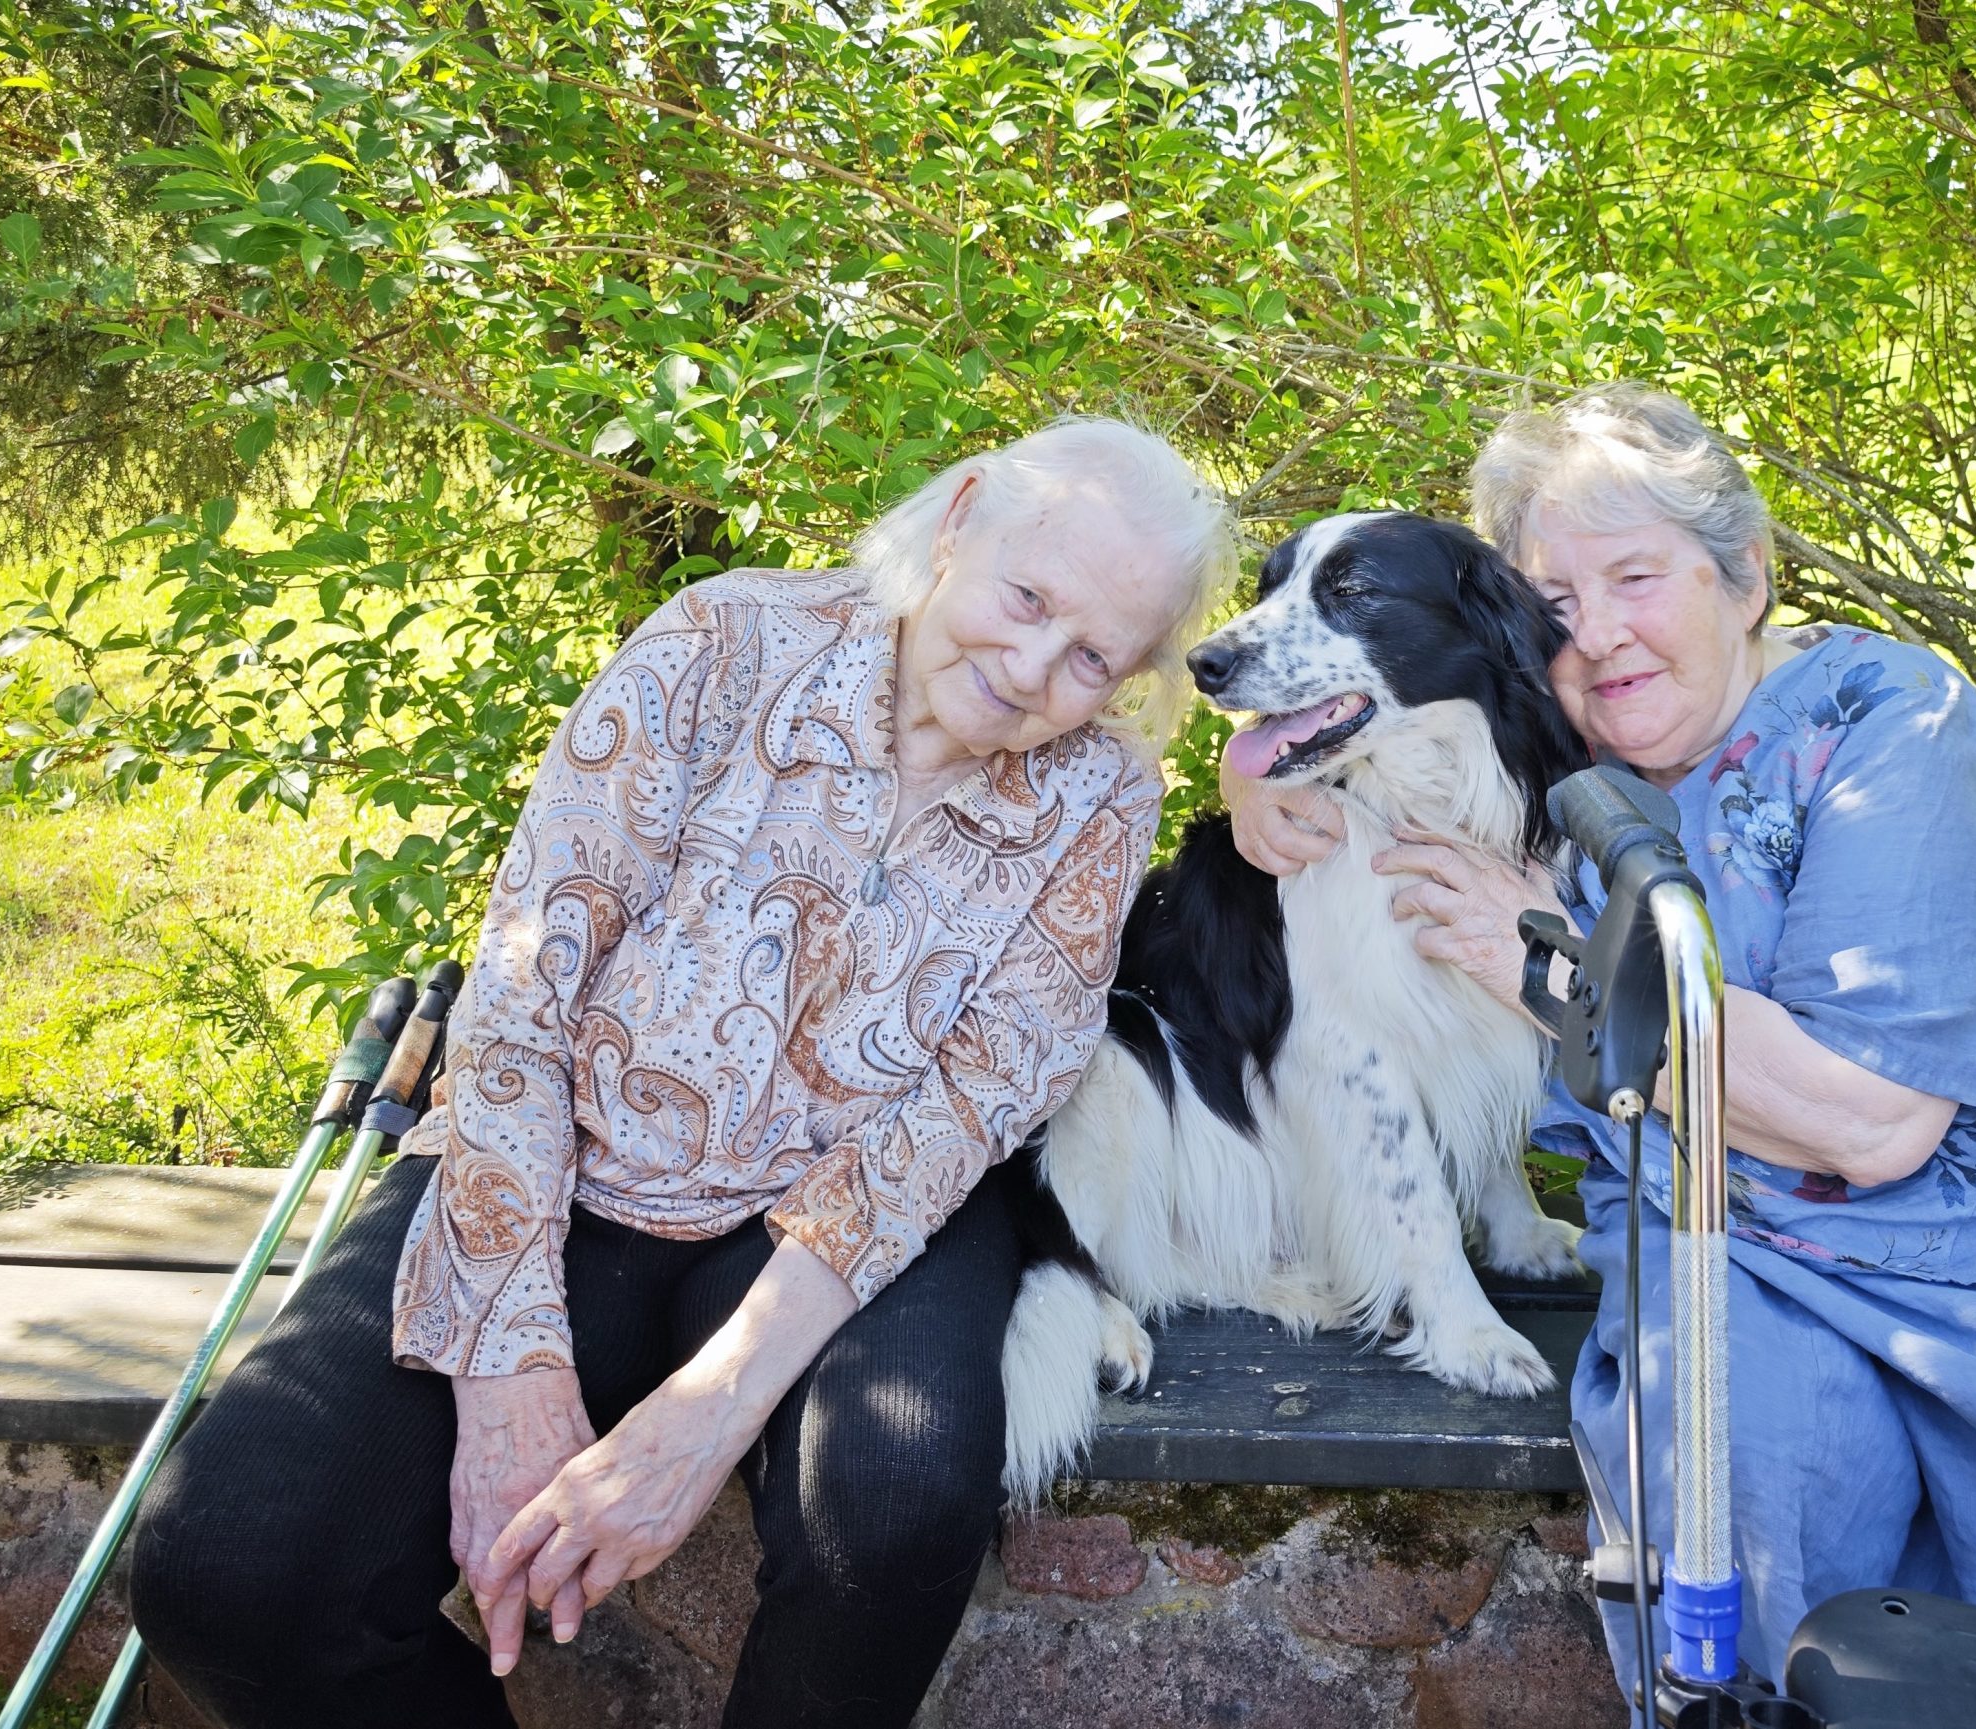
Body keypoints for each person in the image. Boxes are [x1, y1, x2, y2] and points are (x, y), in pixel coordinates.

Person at [1225, 384, 1976, 1700]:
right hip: (1727, 1237)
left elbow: (1875, 1121)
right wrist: (1249, 776)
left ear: (1745, 577)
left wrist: (1541, 958)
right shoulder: (1532, 750)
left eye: (1639, 577)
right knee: (1750, 1474)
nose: (1600, 631)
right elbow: (1337, 694)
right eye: (1557, 600)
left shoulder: (1884, 721)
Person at [130, 418, 1238, 1729]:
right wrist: (509, 1364)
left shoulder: (1101, 793)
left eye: (1094, 657)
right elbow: (522, 994)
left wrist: (708, 1416)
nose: (1032, 669)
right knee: (229, 1570)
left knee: (891, 1515)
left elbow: (970, 1102)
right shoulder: (725, 642)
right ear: (959, 523)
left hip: (853, 1205)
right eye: (1028, 598)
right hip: (565, 1158)